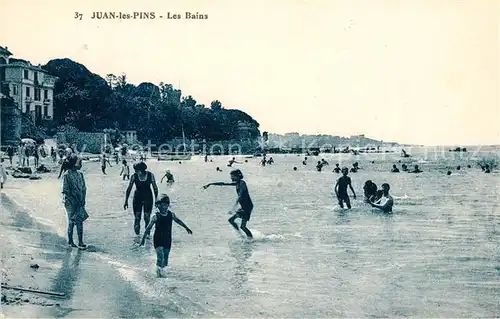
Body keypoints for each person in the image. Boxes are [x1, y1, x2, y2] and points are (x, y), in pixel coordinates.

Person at [140, 194, 192, 278]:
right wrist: (143, 240)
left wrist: (186, 228)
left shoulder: (171, 215)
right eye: (162, 204)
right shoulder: (155, 216)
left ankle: (163, 274)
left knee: (166, 258)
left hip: (167, 239)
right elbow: (148, 228)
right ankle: (158, 273)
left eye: (166, 204)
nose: (164, 206)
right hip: (158, 239)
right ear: (158, 205)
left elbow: (178, 221)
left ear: (168, 205)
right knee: (160, 256)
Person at [203, 169, 253, 238]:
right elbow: (223, 184)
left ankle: (250, 240)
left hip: (247, 207)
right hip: (244, 206)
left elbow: (240, 196)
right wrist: (211, 184)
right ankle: (241, 235)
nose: (231, 178)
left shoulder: (242, 183)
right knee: (231, 220)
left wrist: (234, 208)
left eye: (232, 176)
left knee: (243, 226)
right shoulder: (237, 183)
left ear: (237, 176)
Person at [61, 154, 89, 249]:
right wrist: (75, 199)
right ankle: (71, 241)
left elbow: (84, 188)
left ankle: (81, 241)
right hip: (70, 202)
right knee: (71, 221)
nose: (81, 164)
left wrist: (83, 199)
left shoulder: (80, 174)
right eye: (79, 162)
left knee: (80, 221)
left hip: (80, 200)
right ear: (74, 164)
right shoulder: (67, 175)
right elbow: (66, 190)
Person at [124, 162, 159, 236]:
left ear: (142, 170)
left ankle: (147, 237)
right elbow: (129, 188)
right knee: (137, 218)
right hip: (137, 198)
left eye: (137, 170)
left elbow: (155, 188)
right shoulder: (134, 176)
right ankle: (137, 238)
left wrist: (156, 199)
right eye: (135, 170)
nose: (135, 171)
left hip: (148, 197)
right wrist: (126, 200)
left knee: (147, 218)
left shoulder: (150, 175)